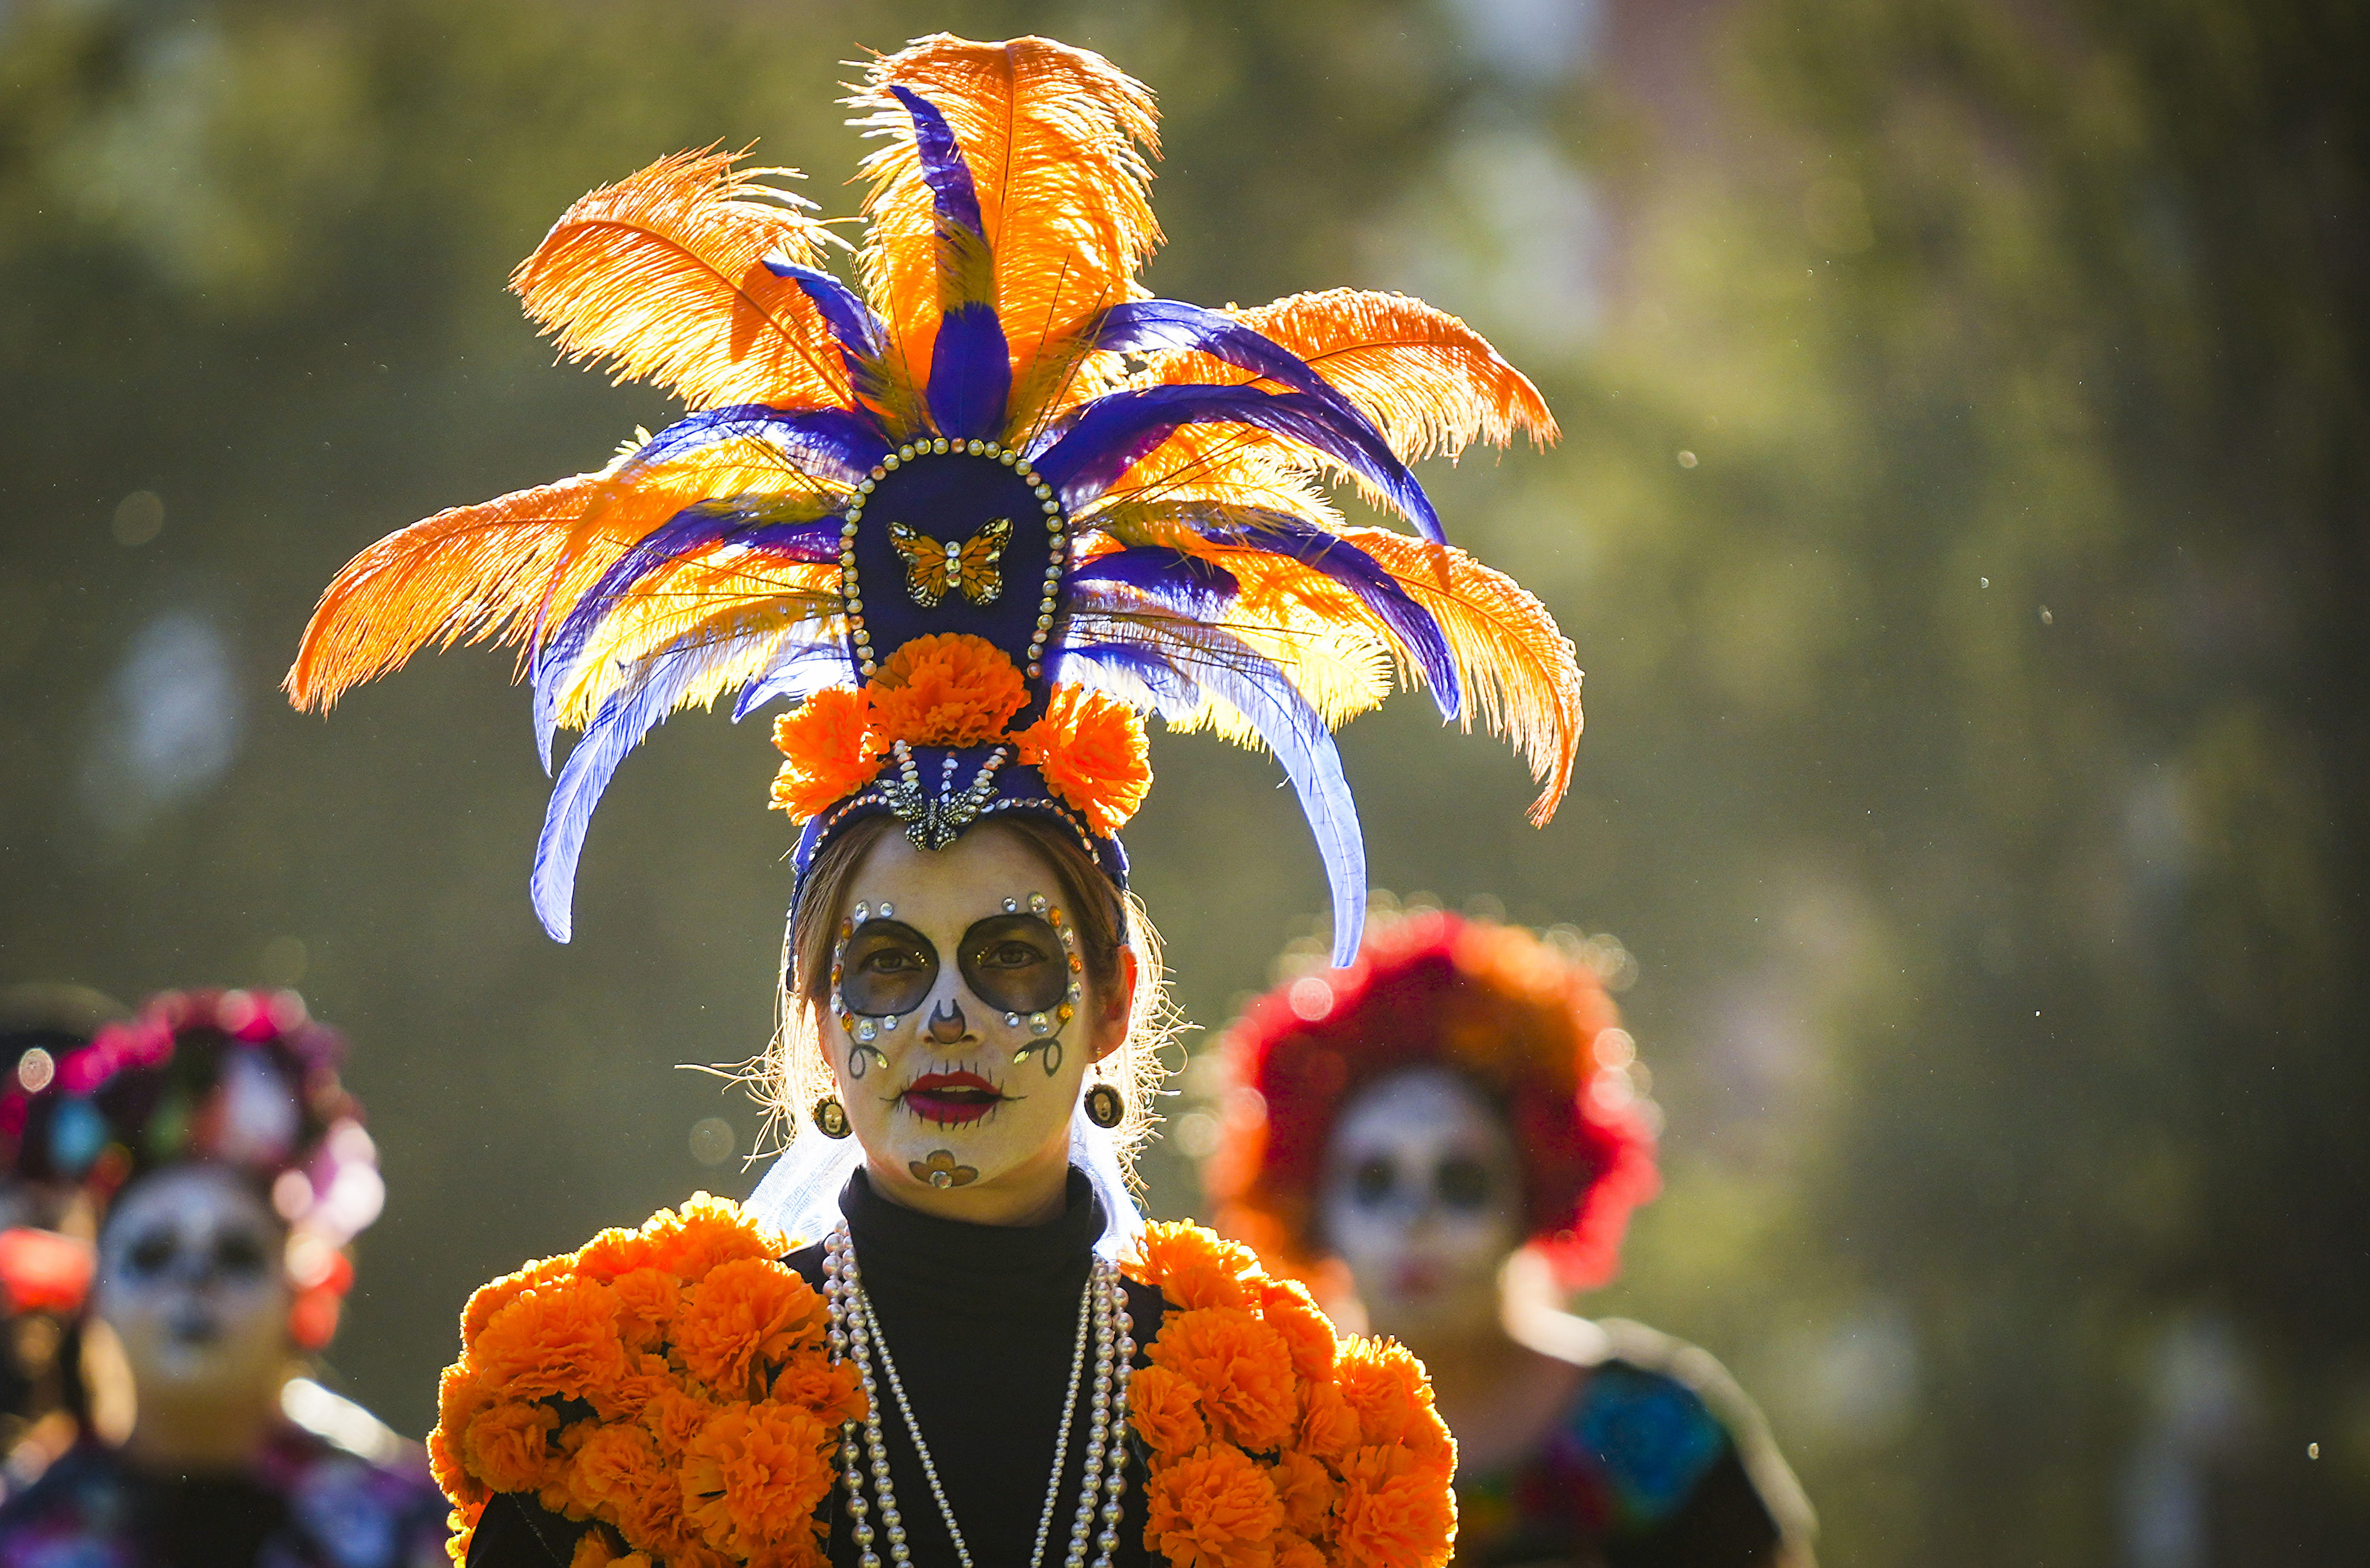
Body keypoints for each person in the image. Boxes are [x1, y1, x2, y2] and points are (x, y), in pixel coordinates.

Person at [286, 30, 1583, 1568]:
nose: (950, 1017)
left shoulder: (1291, 1437)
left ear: (1114, 1002)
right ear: (818, 1024)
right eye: (889, 964)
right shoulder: (623, 1405)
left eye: (1014, 956)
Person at [1209, 913, 1818, 1568]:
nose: (1415, 1221)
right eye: (1375, 1180)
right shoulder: (1252, 1457)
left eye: (1462, 1181)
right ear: (1313, 1202)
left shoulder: (1663, 1432)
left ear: (1535, 1191)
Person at [0, 988, 447, 1567]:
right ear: (90, 1294)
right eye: (153, 1253)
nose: (193, 1280)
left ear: (300, 1292)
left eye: (236, 1255)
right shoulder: (22, 1534)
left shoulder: (417, 1533)